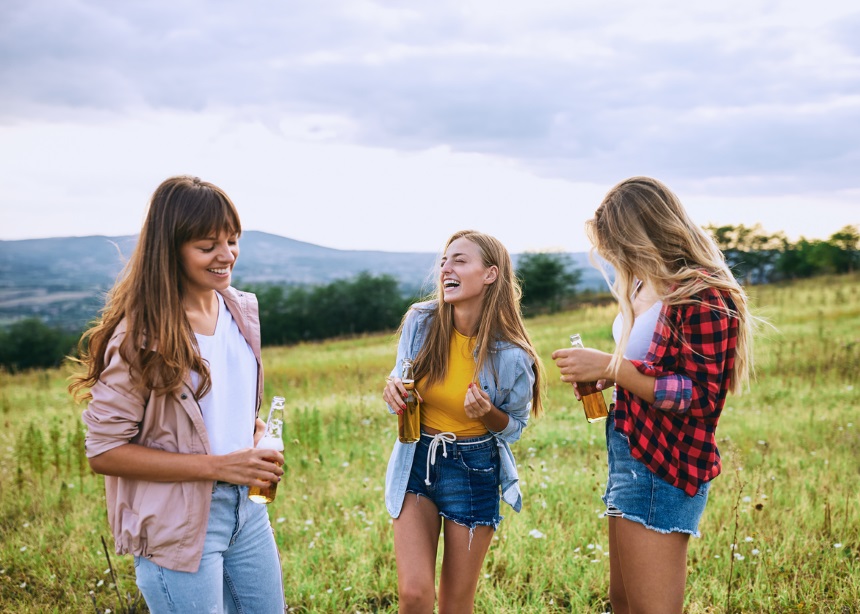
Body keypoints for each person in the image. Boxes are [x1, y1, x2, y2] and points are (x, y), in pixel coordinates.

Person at [69, 176, 286, 613]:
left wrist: (252, 431)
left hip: (247, 511)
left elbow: (217, 408)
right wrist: (218, 464)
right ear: (171, 249)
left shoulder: (240, 309)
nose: (226, 256)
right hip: (176, 522)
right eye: (208, 246)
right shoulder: (140, 336)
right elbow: (104, 451)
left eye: (232, 240)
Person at [552, 177, 754, 614]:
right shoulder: (644, 285)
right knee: (623, 605)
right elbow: (653, 368)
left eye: (619, 243)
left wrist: (611, 366)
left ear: (643, 231)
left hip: (666, 462)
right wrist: (609, 377)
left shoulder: (704, 293)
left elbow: (699, 395)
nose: (616, 256)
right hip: (629, 449)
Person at [382, 229, 543, 613]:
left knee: (455, 603)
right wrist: (392, 393)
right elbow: (399, 379)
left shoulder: (512, 356)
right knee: (414, 594)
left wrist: (488, 413)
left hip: (475, 470)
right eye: (443, 261)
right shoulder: (420, 323)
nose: (445, 269)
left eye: (459, 260)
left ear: (489, 274)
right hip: (417, 460)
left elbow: (515, 427)